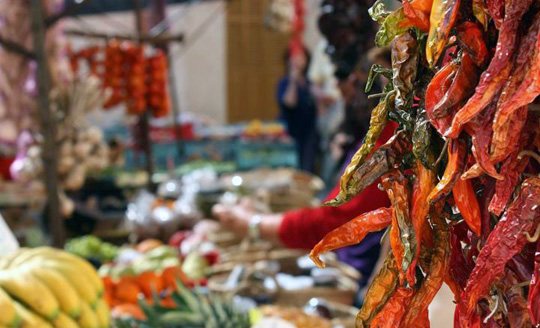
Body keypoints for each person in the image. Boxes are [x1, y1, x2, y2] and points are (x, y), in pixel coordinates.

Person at [214, 52, 397, 302]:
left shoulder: (391, 140)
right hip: (351, 267)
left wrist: (254, 224)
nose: (347, 93)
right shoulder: (379, 133)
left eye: (358, 84)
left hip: (357, 276)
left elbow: (333, 221)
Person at [277, 47, 319, 173]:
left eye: (301, 56)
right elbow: (290, 103)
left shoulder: (309, 83)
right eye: (294, 56)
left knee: (306, 169)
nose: (298, 60)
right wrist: (293, 79)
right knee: (290, 169)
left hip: (308, 134)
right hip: (290, 132)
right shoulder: (284, 83)